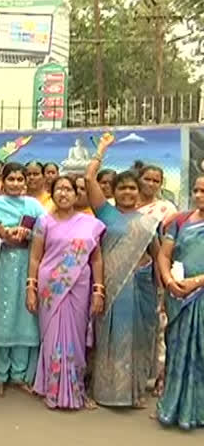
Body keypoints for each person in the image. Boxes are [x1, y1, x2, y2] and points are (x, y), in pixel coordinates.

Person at [85, 133, 160, 409]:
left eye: (132, 189)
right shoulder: (105, 213)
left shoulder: (149, 222)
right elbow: (88, 179)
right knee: (110, 338)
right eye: (122, 188)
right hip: (112, 288)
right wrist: (102, 149)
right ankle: (105, 392)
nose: (127, 193)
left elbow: (157, 256)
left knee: (139, 340)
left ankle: (135, 391)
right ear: (113, 192)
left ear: (140, 193)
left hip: (141, 289)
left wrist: (166, 288)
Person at [27, 175, 105, 410]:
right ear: (52, 194)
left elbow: (97, 258)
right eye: (58, 189)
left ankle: (76, 389)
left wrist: (98, 290)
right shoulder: (44, 221)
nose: (63, 194)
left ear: (76, 194)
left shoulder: (89, 223)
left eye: (68, 189)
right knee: (52, 339)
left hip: (79, 289)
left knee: (77, 340)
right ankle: (52, 389)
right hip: (51, 289)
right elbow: (35, 257)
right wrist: (31, 288)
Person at [0, 163, 46, 397]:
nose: (16, 184)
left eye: (20, 180)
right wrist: (1, 234)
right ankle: (0, 374)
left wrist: (29, 235)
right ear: (3, 180)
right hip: (1, 264)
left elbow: (46, 232)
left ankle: (19, 375)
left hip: (27, 264)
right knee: (2, 315)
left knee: (25, 315)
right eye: (12, 179)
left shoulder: (34, 205)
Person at [155, 175, 204, 430]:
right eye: (196, 190)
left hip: (199, 293)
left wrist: (197, 282)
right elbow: (164, 254)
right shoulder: (180, 221)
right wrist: (167, 280)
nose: (199, 195)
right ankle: (174, 407)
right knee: (177, 350)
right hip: (179, 294)